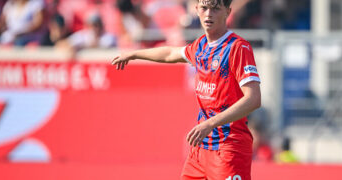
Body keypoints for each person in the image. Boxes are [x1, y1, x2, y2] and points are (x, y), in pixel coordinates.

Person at [111, 0, 261, 179]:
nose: (208, 14)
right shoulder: (200, 46)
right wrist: (134, 54)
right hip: (201, 148)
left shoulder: (237, 47)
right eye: (204, 8)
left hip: (228, 147)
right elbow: (170, 54)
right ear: (197, 10)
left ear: (228, 12)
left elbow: (253, 99)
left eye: (215, 9)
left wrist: (210, 123)